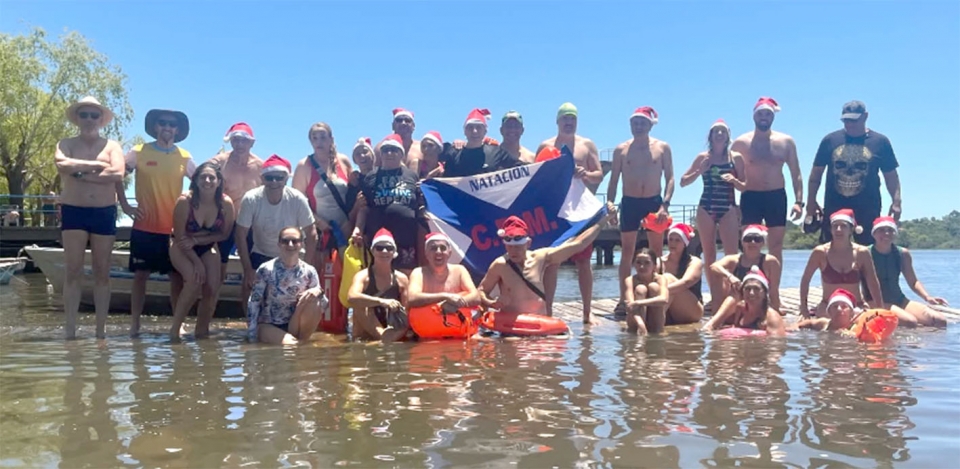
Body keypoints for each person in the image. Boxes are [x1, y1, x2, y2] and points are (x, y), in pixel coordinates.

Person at [118, 108, 196, 337]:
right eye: (162, 123)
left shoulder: (184, 156)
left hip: (173, 229)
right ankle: (135, 323)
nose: (167, 127)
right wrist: (125, 205)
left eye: (172, 124)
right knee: (140, 276)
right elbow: (116, 175)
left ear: (177, 130)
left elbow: (204, 182)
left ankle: (178, 324)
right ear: (155, 127)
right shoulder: (139, 151)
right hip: (144, 227)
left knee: (176, 277)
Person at [55, 96, 125, 339]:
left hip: (103, 212)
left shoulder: (112, 146)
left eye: (94, 115)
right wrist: (96, 165)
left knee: (101, 271)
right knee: (73, 270)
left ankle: (100, 331)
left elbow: (117, 173)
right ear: (77, 118)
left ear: (100, 119)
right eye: (84, 114)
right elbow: (62, 164)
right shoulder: (66, 143)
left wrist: (82, 174)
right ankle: (70, 331)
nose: (89, 119)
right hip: (74, 210)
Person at [477, 209, 617, 320]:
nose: (514, 251)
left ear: (528, 243)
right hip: (511, 327)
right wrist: (491, 303)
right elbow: (481, 291)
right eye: (510, 246)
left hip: (540, 323)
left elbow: (578, 244)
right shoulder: (500, 265)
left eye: (518, 246)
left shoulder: (541, 257)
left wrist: (603, 220)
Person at [537, 102, 605, 322]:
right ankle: (548, 310)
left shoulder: (587, 145)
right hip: (555, 209)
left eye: (572, 118)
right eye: (565, 118)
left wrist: (586, 174)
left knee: (584, 261)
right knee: (552, 261)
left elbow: (599, 174)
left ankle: (587, 311)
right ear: (557, 121)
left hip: (580, 210)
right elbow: (535, 178)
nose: (569, 122)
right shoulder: (546, 145)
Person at [606, 106, 674, 316]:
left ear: (650, 125)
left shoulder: (662, 148)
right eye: (635, 123)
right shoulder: (621, 150)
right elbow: (614, 180)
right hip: (630, 202)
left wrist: (665, 205)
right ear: (630, 125)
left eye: (642, 123)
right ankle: (623, 299)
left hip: (653, 203)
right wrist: (610, 203)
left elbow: (670, 178)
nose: (638, 127)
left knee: (656, 251)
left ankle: (659, 295)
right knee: (627, 252)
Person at [806, 101, 902, 246]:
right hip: (835, 205)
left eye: (854, 120)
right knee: (830, 249)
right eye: (846, 120)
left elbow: (891, 176)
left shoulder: (880, 142)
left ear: (865, 116)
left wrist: (896, 202)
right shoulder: (830, 141)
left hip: (868, 206)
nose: (849, 124)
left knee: (867, 249)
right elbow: (815, 175)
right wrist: (811, 201)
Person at [236, 155, 318, 311]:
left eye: (279, 178)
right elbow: (240, 234)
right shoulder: (251, 199)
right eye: (269, 178)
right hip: (261, 252)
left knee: (301, 298)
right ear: (262, 179)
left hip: (292, 255)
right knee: (248, 289)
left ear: (286, 179)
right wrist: (247, 269)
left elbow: (311, 233)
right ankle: (251, 323)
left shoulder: (298, 199)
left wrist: (306, 267)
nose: (274, 182)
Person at [679, 119, 746, 304]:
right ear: (710, 136)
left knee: (731, 254)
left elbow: (744, 186)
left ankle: (732, 295)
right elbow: (683, 182)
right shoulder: (703, 157)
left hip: (728, 207)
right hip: (706, 207)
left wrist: (734, 180)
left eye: (723, 131)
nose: (719, 134)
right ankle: (716, 297)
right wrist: (700, 170)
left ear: (728, 136)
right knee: (709, 255)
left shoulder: (736, 158)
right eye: (716, 131)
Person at [168, 162, 236, 341]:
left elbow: (224, 234)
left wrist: (198, 240)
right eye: (203, 177)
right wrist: (197, 262)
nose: (207, 181)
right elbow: (180, 236)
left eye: (211, 177)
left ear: (219, 181)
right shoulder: (185, 201)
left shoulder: (225, 203)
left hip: (207, 245)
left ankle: (201, 332)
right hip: (180, 245)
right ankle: (175, 330)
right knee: (194, 280)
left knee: (212, 287)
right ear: (195, 180)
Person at [731, 97, 803, 263]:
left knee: (776, 246)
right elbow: (730, 175)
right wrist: (733, 204)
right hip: (750, 196)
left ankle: (774, 280)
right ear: (754, 116)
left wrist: (799, 202)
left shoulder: (786, 142)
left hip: (776, 196)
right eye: (760, 114)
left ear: (773, 117)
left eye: (768, 114)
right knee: (749, 243)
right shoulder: (740, 143)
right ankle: (750, 278)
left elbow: (796, 173)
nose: (764, 117)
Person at [292, 123, 356, 277]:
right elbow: (297, 201)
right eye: (314, 138)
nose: (319, 142)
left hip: (346, 230)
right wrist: (318, 222)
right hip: (320, 233)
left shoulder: (343, 161)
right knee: (318, 276)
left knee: (346, 276)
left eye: (322, 137)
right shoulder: (304, 166)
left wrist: (350, 222)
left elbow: (353, 192)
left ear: (331, 139)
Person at [352, 134, 422, 274]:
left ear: (401, 154)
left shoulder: (412, 176)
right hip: (378, 239)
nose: (389, 153)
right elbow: (364, 208)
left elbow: (419, 205)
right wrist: (358, 228)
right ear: (380, 154)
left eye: (394, 150)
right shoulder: (370, 177)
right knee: (379, 276)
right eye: (385, 150)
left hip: (406, 238)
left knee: (405, 278)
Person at [247, 226, 329, 345]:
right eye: (285, 241)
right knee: (291, 346)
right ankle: (298, 344)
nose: (290, 245)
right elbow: (254, 302)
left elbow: (323, 305)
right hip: (269, 325)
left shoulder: (309, 271)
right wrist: (252, 334)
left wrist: (317, 292)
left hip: (296, 324)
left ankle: (302, 341)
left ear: (301, 244)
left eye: (295, 241)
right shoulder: (266, 269)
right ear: (279, 244)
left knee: (314, 299)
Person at [799, 209, 883, 319]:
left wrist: (880, 310)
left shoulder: (862, 252)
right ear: (831, 229)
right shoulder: (820, 252)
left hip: (856, 306)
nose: (838, 229)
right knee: (830, 325)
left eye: (843, 226)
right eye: (835, 226)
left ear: (851, 229)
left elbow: (873, 282)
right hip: (828, 307)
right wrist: (804, 309)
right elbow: (805, 281)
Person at [865, 216, 948, 327]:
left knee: (940, 321)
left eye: (890, 230)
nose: (886, 234)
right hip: (873, 301)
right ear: (874, 234)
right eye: (881, 230)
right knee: (910, 322)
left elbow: (913, 281)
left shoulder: (902, 254)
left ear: (895, 233)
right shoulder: (865, 253)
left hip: (899, 299)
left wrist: (927, 297)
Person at [207, 122, 263, 270]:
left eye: (244, 141)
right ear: (230, 141)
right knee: (218, 265)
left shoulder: (260, 167)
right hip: (223, 221)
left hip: (251, 223)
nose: (239, 144)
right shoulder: (218, 162)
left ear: (252, 143)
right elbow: (199, 180)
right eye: (236, 140)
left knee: (252, 267)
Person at [347, 228, 412, 342]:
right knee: (360, 305)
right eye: (379, 248)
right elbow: (351, 297)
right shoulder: (363, 276)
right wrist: (381, 302)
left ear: (394, 252)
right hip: (365, 336)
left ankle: (386, 339)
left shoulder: (401, 279)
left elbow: (406, 312)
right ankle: (382, 338)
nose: (384, 251)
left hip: (393, 331)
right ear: (373, 251)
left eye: (389, 248)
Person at [710, 224, 782, 313]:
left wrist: (775, 311)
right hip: (737, 300)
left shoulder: (770, 261)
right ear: (743, 242)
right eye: (748, 239)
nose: (752, 242)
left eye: (757, 239)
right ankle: (717, 312)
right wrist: (730, 277)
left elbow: (774, 291)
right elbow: (713, 266)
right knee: (718, 276)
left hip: (759, 300)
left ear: (763, 243)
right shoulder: (734, 259)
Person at [438, 108, 521, 178]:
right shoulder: (454, 153)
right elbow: (433, 153)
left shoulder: (497, 153)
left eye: (479, 127)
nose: (474, 131)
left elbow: (522, 169)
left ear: (485, 131)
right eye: (470, 127)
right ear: (464, 131)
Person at [703, 266, 786, 336]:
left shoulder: (772, 317)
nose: (751, 293)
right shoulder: (740, 308)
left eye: (756, 289)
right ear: (742, 292)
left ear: (764, 293)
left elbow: (776, 345)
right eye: (747, 289)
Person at [407, 232, 480, 308]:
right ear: (426, 253)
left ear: (449, 252)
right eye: (433, 248)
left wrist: (454, 305)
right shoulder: (418, 272)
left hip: (454, 314)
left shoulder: (459, 270)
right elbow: (412, 298)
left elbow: (476, 297)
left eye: (443, 248)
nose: (438, 252)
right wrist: (445, 297)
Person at [659, 223, 705, 325]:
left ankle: (655, 323)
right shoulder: (660, 262)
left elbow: (686, 282)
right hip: (669, 310)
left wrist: (660, 291)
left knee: (667, 278)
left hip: (691, 310)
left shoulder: (694, 262)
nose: (673, 243)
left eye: (677, 240)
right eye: (671, 239)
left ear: (684, 243)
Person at [623, 248, 670, 335]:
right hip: (636, 319)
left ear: (654, 266)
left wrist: (638, 302)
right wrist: (640, 324)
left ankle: (657, 331)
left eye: (647, 263)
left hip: (655, 319)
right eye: (638, 262)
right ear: (633, 264)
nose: (642, 266)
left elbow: (664, 299)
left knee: (654, 287)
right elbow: (630, 306)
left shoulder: (660, 279)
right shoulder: (630, 280)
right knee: (640, 289)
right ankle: (640, 331)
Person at [791, 288, 859, 333]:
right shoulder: (824, 324)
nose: (839, 309)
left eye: (844, 306)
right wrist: (796, 326)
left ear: (851, 313)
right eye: (835, 306)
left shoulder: (855, 329)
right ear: (829, 312)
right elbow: (810, 323)